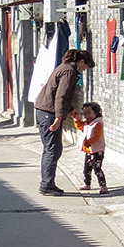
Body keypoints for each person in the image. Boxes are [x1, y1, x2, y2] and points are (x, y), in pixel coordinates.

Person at [34, 48, 94, 196]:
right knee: (52, 149)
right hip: (49, 113)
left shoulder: (64, 68)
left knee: (53, 149)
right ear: (81, 62)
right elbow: (60, 96)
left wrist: (71, 110)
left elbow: (62, 97)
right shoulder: (69, 72)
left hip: (45, 111)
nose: (84, 70)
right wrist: (58, 118)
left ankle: (48, 183)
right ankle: (46, 185)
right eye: (85, 66)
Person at [71, 101, 107, 195]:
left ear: (96, 112)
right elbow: (79, 125)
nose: (87, 116)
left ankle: (103, 185)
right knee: (87, 168)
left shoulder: (97, 124)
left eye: (89, 113)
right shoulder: (87, 123)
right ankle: (87, 183)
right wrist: (76, 119)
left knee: (97, 168)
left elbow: (96, 136)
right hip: (88, 151)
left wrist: (89, 142)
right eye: (85, 114)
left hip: (98, 151)